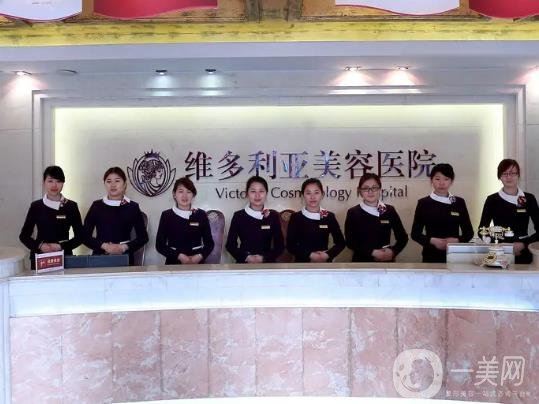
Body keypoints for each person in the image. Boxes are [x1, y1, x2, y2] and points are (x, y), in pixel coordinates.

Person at [19, 165, 83, 268]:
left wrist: (60, 246)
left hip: (64, 257)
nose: (54, 185)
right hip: (40, 257)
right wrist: (40, 246)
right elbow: (24, 236)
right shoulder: (36, 206)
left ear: (63, 183)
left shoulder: (71, 206)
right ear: (44, 182)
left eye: (58, 181)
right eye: (50, 181)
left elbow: (80, 237)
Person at [83, 167, 149, 266]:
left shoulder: (133, 207)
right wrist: (105, 246)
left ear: (124, 184)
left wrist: (123, 247)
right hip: (100, 257)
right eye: (109, 181)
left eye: (117, 181)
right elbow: (84, 236)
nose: (113, 185)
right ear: (105, 184)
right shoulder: (96, 206)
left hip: (124, 257)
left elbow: (143, 238)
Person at [479, 159, 539, 264]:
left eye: (512, 173)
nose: (508, 177)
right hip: (499, 252)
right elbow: (482, 229)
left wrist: (523, 244)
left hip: (523, 252)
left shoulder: (529, 199)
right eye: (504, 173)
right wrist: (494, 244)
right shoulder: (492, 200)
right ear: (499, 176)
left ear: (518, 175)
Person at [411, 163, 474, 263]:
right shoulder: (423, 203)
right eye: (437, 179)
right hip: (431, 256)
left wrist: (456, 241)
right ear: (431, 180)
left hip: (455, 255)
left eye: (446, 179)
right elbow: (415, 234)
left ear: (451, 181)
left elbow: (469, 233)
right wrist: (433, 241)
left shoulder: (459, 202)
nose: (442, 183)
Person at [345, 173, 408, 262]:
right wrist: (372, 252)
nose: (370, 191)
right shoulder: (353, 212)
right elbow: (350, 242)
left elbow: (403, 238)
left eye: (374, 187)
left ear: (380, 190)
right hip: (361, 262)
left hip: (386, 261)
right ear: (360, 191)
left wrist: (393, 252)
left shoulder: (389, 210)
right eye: (366, 188)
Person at [156, 177, 214, 265]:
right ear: (174, 194)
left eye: (188, 192)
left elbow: (209, 244)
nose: (184, 196)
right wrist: (179, 256)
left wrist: (199, 256)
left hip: (197, 263)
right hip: (173, 263)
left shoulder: (200, 214)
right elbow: (160, 245)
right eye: (180, 191)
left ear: (193, 195)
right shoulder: (166, 215)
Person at [226, 175, 284, 263]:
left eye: (261, 191)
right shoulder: (238, 216)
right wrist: (246, 257)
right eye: (253, 191)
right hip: (244, 264)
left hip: (267, 264)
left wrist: (264, 258)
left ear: (266, 193)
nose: (257, 195)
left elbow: (280, 246)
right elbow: (230, 245)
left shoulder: (273, 216)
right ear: (247, 194)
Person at [286, 178, 345, 262]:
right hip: (302, 263)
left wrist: (328, 254)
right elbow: (290, 245)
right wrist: (310, 255)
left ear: (322, 194)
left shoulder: (329, 216)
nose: (312, 197)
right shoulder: (296, 217)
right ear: (302, 195)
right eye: (308, 193)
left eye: (316, 193)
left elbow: (341, 243)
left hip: (323, 261)